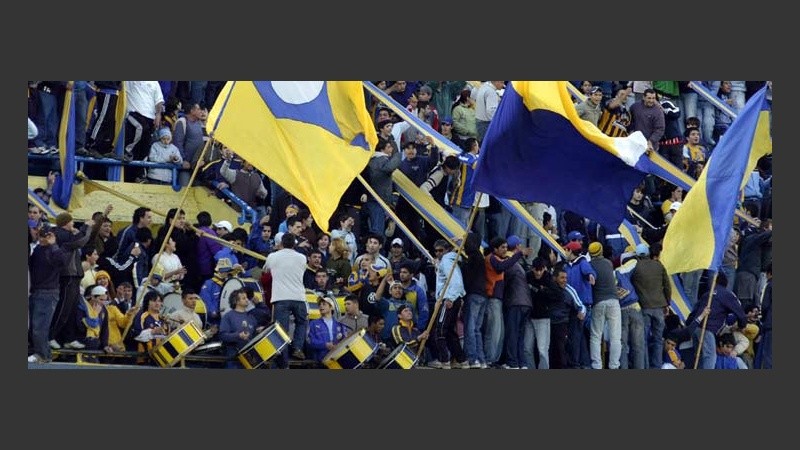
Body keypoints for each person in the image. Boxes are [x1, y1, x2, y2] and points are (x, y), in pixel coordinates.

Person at [263, 232, 309, 368]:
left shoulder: (273, 256)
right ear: (294, 244)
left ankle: (283, 359)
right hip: (299, 296)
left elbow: (265, 270)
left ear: (281, 243)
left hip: (281, 297)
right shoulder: (302, 258)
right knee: (302, 322)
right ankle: (297, 348)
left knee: (282, 329)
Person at [28, 224, 68, 363]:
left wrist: (54, 245)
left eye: (45, 235)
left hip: (48, 292)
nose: (42, 238)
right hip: (36, 290)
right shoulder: (38, 249)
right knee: (36, 325)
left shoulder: (55, 250)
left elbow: (62, 263)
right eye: (41, 234)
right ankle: (44, 353)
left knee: (40, 326)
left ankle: (42, 355)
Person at [432, 239, 469, 369]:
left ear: (447, 250)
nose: (438, 253)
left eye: (440, 250)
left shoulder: (447, 260)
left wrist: (450, 298)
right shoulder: (449, 260)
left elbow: (456, 281)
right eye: (436, 251)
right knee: (449, 332)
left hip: (448, 297)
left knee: (440, 331)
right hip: (452, 297)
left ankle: (444, 360)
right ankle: (462, 360)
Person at [587, 242, 622, 369]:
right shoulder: (608, 263)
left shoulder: (589, 266)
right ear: (601, 251)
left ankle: (597, 365)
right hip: (613, 301)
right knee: (615, 337)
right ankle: (614, 365)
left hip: (598, 302)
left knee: (595, 336)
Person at [218, 288, 261, 369]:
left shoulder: (251, 317)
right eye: (244, 298)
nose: (247, 300)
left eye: (247, 298)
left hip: (249, 358)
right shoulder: (228, 316)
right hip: (233, 359)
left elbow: (254, 336)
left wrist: (260, 331)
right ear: (236, 301)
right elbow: (222, 335)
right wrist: (238, 335)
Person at [307, 295, 348, 363]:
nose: (321, 306)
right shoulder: (313, 324)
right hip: (319, 361)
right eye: (319, 305)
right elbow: (310, 342)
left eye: (324, 304)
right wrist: (325, 345)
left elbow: (345, 341)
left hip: (336, 361)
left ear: (331, 307)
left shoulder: (340, 324)